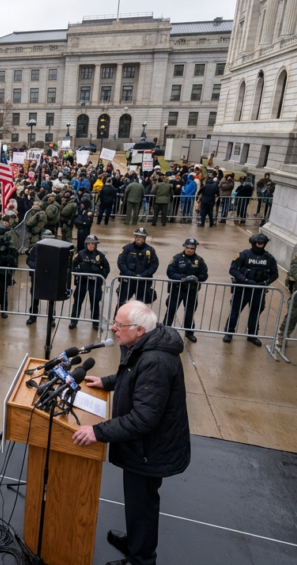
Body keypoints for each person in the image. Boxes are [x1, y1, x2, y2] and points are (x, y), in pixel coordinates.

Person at [72, 300, 190, 565]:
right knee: (137, 504)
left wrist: (98, 432)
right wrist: (107, 382)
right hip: (144, 446)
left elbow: (144, 418)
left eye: (119, 325)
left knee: (143, 504)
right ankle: (136, 540)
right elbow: (131, 376)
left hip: (150, 449)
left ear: (139, 330)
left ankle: (141, 558)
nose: (113, 328)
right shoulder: (143, 345)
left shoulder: (155, 360)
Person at [224, 233, 280, 346]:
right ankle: (229, 333)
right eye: (258, 243)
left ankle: (252, 335)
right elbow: (233, 270)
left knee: (255, 313)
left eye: (262, 243)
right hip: (243, 289)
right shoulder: (244, 254)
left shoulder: (269, 258)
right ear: (253, 243)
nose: (260, 245)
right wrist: (245, 280)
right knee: (235, 311)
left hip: (258, 290)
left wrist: (265, 283)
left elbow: (274, 274)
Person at [163, 238, 208, 342]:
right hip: (177, 290)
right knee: (170, 311)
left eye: (192, 248)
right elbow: (170, 272)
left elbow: (204, 274)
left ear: (195, 248)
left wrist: (197, 278)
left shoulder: (199, 260)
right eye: (188, 248)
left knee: (189, 313)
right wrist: (182, 278)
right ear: (184, 247)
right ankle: (165, 331)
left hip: (191, 291)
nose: (190, 250)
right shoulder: (177, 258)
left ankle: (189, 332)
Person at [69, 235, 110, 330]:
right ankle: (73, 321)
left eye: (93, 244)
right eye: (89, 244)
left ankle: (95, 323)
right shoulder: (81, 254)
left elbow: (106, 268)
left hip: (94, 283)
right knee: (77, 302)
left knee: (95, 303)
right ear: (86, 244)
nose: (91, 246)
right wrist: (78, 272)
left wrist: (100, 277)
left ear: (95, 245)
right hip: (83, 281)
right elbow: (73, 265)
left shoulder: (100, 255)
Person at [117, 227, 159, 310]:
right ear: (135, 237)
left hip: (143, 282)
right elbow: (121, 263)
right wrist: (131, 274)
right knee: (122, 304)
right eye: (137, 237)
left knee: (141, 306)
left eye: (141, 237)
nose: (139, 239)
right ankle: (117, 321)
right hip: (128, 281)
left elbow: (154, 265)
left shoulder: (150, 250)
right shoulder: (127, 248)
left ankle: (139, 322)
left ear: (145, 238)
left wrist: (144, 275)